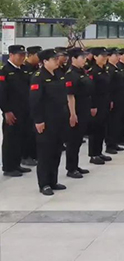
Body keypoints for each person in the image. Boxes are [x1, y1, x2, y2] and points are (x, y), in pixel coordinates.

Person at [29, 49, 69, 195]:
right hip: (46, 120)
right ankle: (44, 183)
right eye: (54, 59)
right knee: (45, 153)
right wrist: (38, 120)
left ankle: (53, 180)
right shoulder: (38, 77)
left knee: (56, 151)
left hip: (59, 119)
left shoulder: (58, 74)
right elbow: (35, 101)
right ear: (45, 61)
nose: (57, 61)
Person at [1, 45, 32, 177]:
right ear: (11, 55)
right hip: (12, 112)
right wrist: (6, 110)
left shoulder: (24, 69)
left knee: (20, 138)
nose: (22, 57)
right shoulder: (5, 71)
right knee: (10, 140)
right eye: (19, 55)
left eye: (24, 55)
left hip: (24, 110)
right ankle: (8, 167)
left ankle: (16, 164)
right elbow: (2, 93)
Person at [64, 48, 92, 179]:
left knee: (78, 140)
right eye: (82, 58)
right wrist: (72, 114)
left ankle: (75, 165)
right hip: (76, 110)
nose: (84, 60)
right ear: (73, 59)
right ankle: (71, 168)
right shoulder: (70, 74)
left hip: (84, 109)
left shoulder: (81, 72)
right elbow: (70, 96)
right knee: (73, 141)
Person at [88, 47, 112, 165]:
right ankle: (93, 154)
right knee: (95, 129)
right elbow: (91, 90)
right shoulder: (93, 71)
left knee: (102, 128)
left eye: (106, 56)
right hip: (96, 104)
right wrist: (92, 106)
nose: (105, 58)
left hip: (105, 102)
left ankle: (99, 152)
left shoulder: (104, 69)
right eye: (102, 56)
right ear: (95, 57)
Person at [21, 45, 41, 167]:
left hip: (33, 105)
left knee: (33, 133)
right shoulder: (24, 68)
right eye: (37, 55)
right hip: (25, 105)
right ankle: (25, 156)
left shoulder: (36, 68)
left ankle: (33, 155)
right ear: (31, 55)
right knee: (26, 133)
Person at [106, 48, 124, 155]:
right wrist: (111, 100)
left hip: (120, 97)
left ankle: (115, 142)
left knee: (118, 121)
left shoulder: (116, 67)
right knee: (112, 122)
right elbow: (109, 87)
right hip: (113, 99)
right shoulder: (109, 69)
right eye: (115, 55)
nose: (118, 57)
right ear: (109, 56)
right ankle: (110, 144)